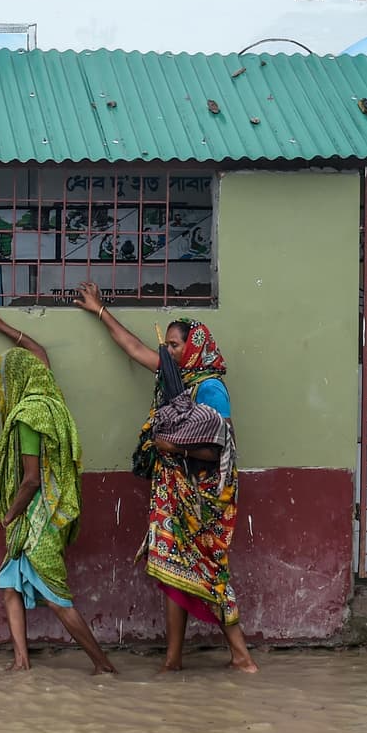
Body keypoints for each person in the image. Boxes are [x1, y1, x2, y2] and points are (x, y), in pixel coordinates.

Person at [73, 281, 259, 674]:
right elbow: (134, 347)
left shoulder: (210, 390)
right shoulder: (175, 380)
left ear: (194, 347)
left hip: (202, 498)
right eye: (169, 345)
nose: (168, 351)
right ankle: (172, 660)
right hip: (172, 491)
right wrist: (99, 310)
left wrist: (176, 449)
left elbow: (217, 449)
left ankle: (241, 655)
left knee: (210, 570)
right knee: (172, 569)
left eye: (175, 345)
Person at [0, 295, 117, 675]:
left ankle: (102, 665)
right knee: (9, 586)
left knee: (56, 598)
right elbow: (38, 350)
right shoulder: (47, 395)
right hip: (42, 512)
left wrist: (10, 514)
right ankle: (21, 662)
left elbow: (31, 480)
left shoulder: (27, 419)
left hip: (36, 519)